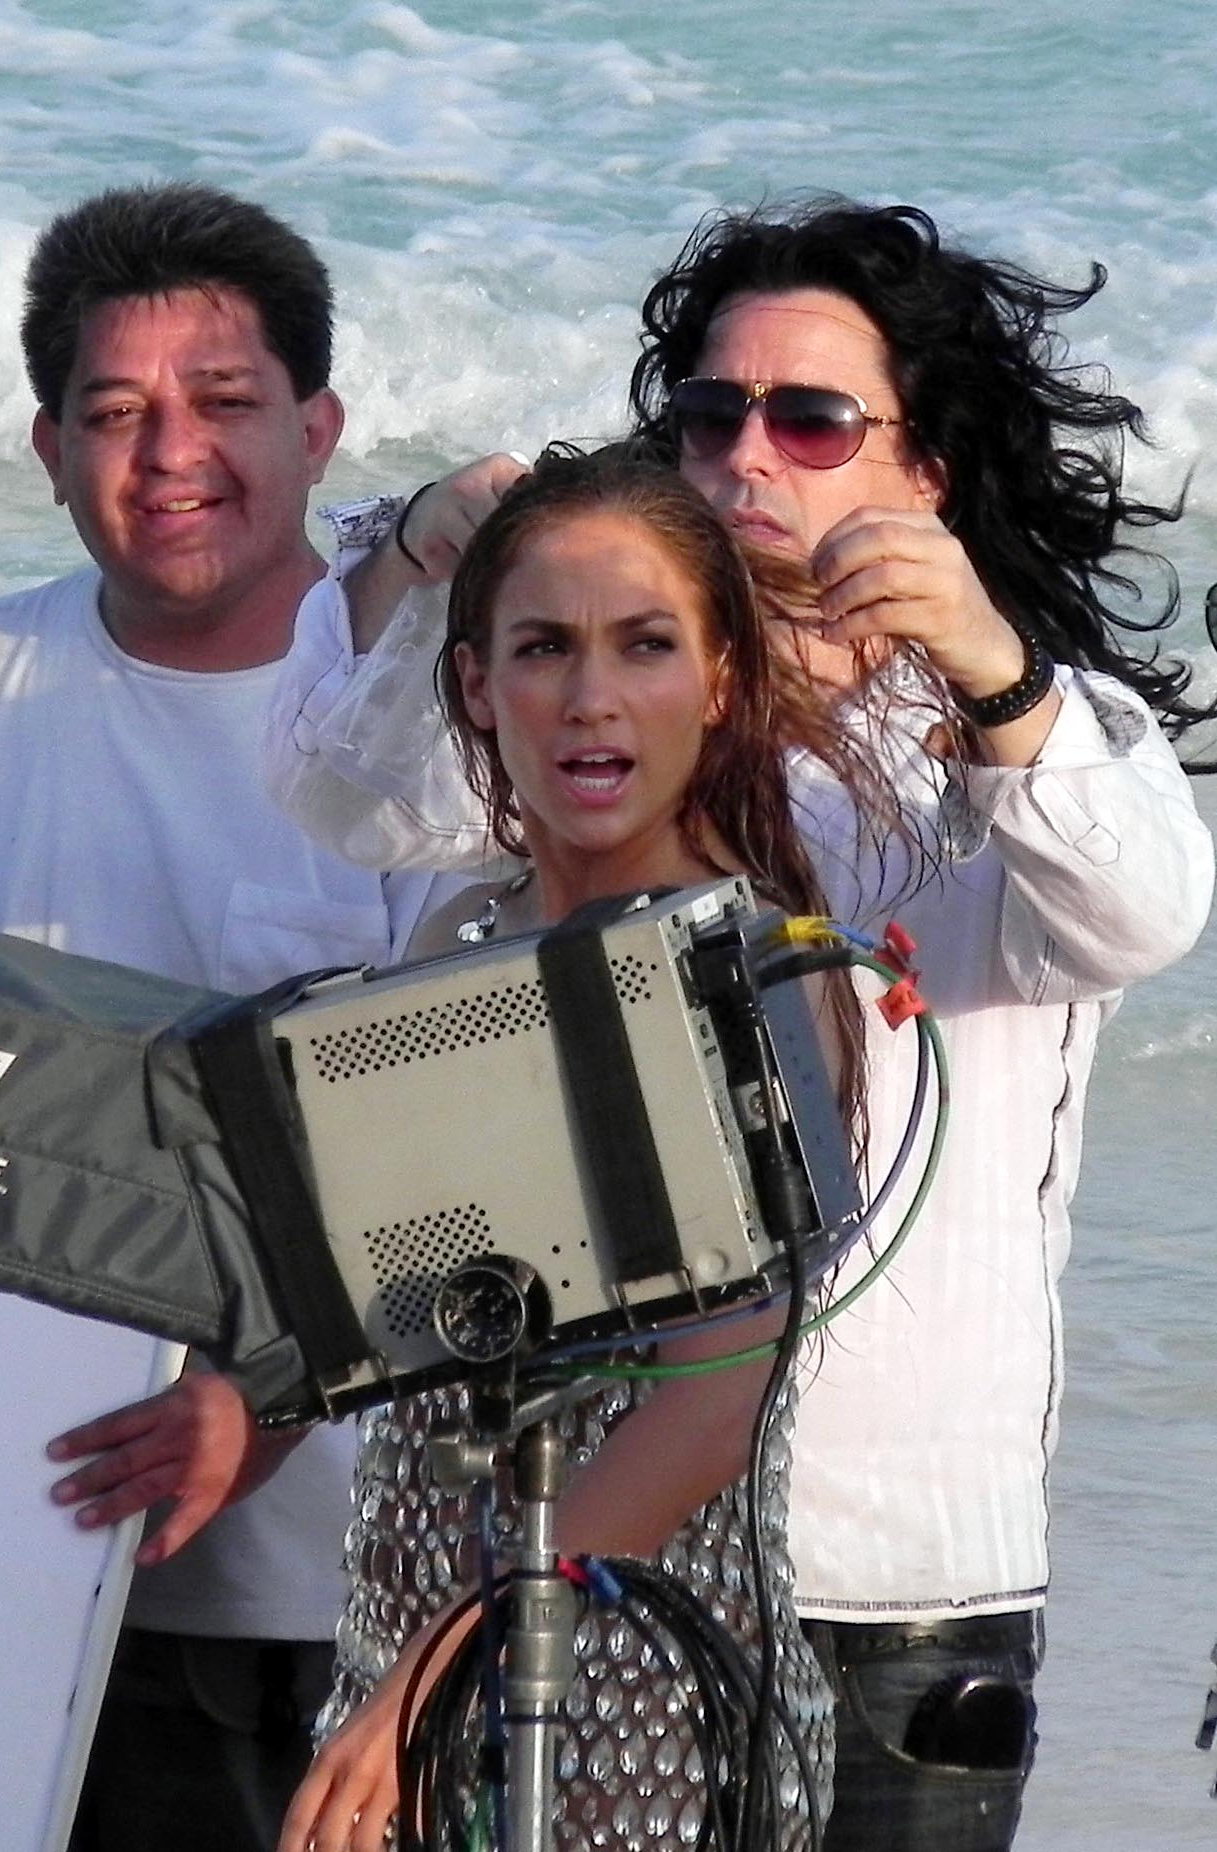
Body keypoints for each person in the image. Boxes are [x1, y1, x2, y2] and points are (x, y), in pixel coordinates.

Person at [262, 198, 1215, 1850]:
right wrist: (422, 546)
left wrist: (994, 671)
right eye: (712, 416)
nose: (749, 458)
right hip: (594, 1536)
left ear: (925, 473)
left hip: (889, 1576)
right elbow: (348, 794)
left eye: (813, 419)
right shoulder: (620, 716)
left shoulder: (1025, 739)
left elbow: (1141, 913)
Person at [0, 181, 446, 1852]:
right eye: (114, 413)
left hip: (291, 1592)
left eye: (225, 402)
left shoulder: (416, 735)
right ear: (45, 448)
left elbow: (457, 1170)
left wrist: (267, 1404)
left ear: (319, 429)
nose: (171, 455)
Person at [280, 444, 879, 1852]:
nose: (590, 696)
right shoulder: (452, 939)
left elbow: (717, 1395)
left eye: (645, 645)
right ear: (476, 686)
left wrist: (441, 1672)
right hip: (405, 1634)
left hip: (644, 1697)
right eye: (544, 647)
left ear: (719, 678)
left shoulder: (761, 971)